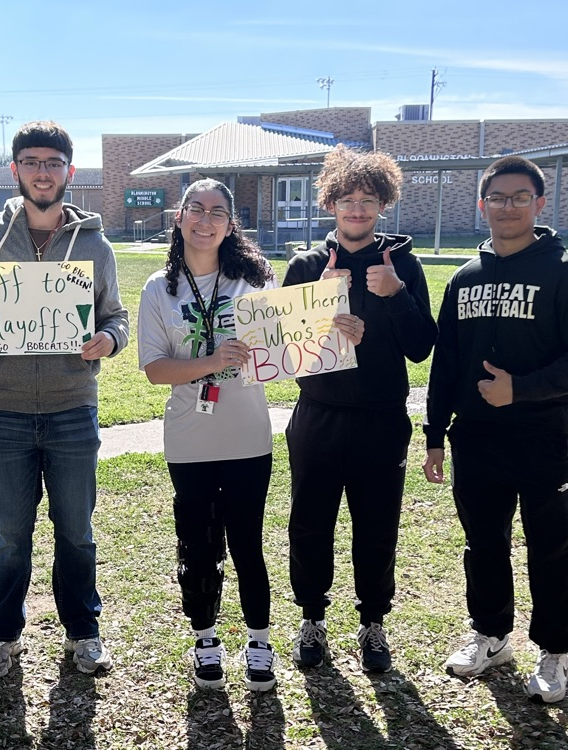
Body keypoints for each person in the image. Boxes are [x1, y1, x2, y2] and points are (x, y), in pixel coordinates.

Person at [0, 120, 129, 678]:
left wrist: (109, 339)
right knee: (9, 537)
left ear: (69, 172)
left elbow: (115, 316)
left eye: (53, 163)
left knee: (77, 533)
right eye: (32, 162)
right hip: (3, 413)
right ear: (16, 170)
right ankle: (2, 634)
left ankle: (84, 631)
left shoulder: (94, 244)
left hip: (73, 408)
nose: (43, 172)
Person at [284, 146, 437, 673]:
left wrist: (395, 296)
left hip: (380, 418)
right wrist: (321, 314)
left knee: (377, 526)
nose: (356, 210)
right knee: (309, 522)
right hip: (318, 415)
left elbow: (421, 346)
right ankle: (312, 618)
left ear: (382, 205)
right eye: (346, 199)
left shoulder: (404, 265)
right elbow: (283, 354)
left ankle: (373, 621)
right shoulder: (305, 265)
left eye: (367, 201)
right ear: (330, 203)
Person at [423, 155, 568, 703]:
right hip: (477, 437)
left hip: (546, 436)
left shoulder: (560, 271)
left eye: (520, 197)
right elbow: (447, 363)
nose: (508, 207)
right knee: (484, 543)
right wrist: (435, 432)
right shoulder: (465, 277)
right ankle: (491, 635)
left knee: (552, 547)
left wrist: (521, 390)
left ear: (539, 202)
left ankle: (557, 650)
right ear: (482, 205)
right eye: (498, 198)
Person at [138, 178, 280, 691]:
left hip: (248, 437)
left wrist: (337, 320)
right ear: (179, 217)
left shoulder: (255, 283)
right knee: (197, 544)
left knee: (247, 543)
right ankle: (205, 638)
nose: (205, 219)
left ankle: (260, 640)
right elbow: (154, 370)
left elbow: (290, 348)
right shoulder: (159, 288)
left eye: (217, 211)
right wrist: (212, 361)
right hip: (189, 440)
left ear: (230, 223)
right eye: (195, 209)